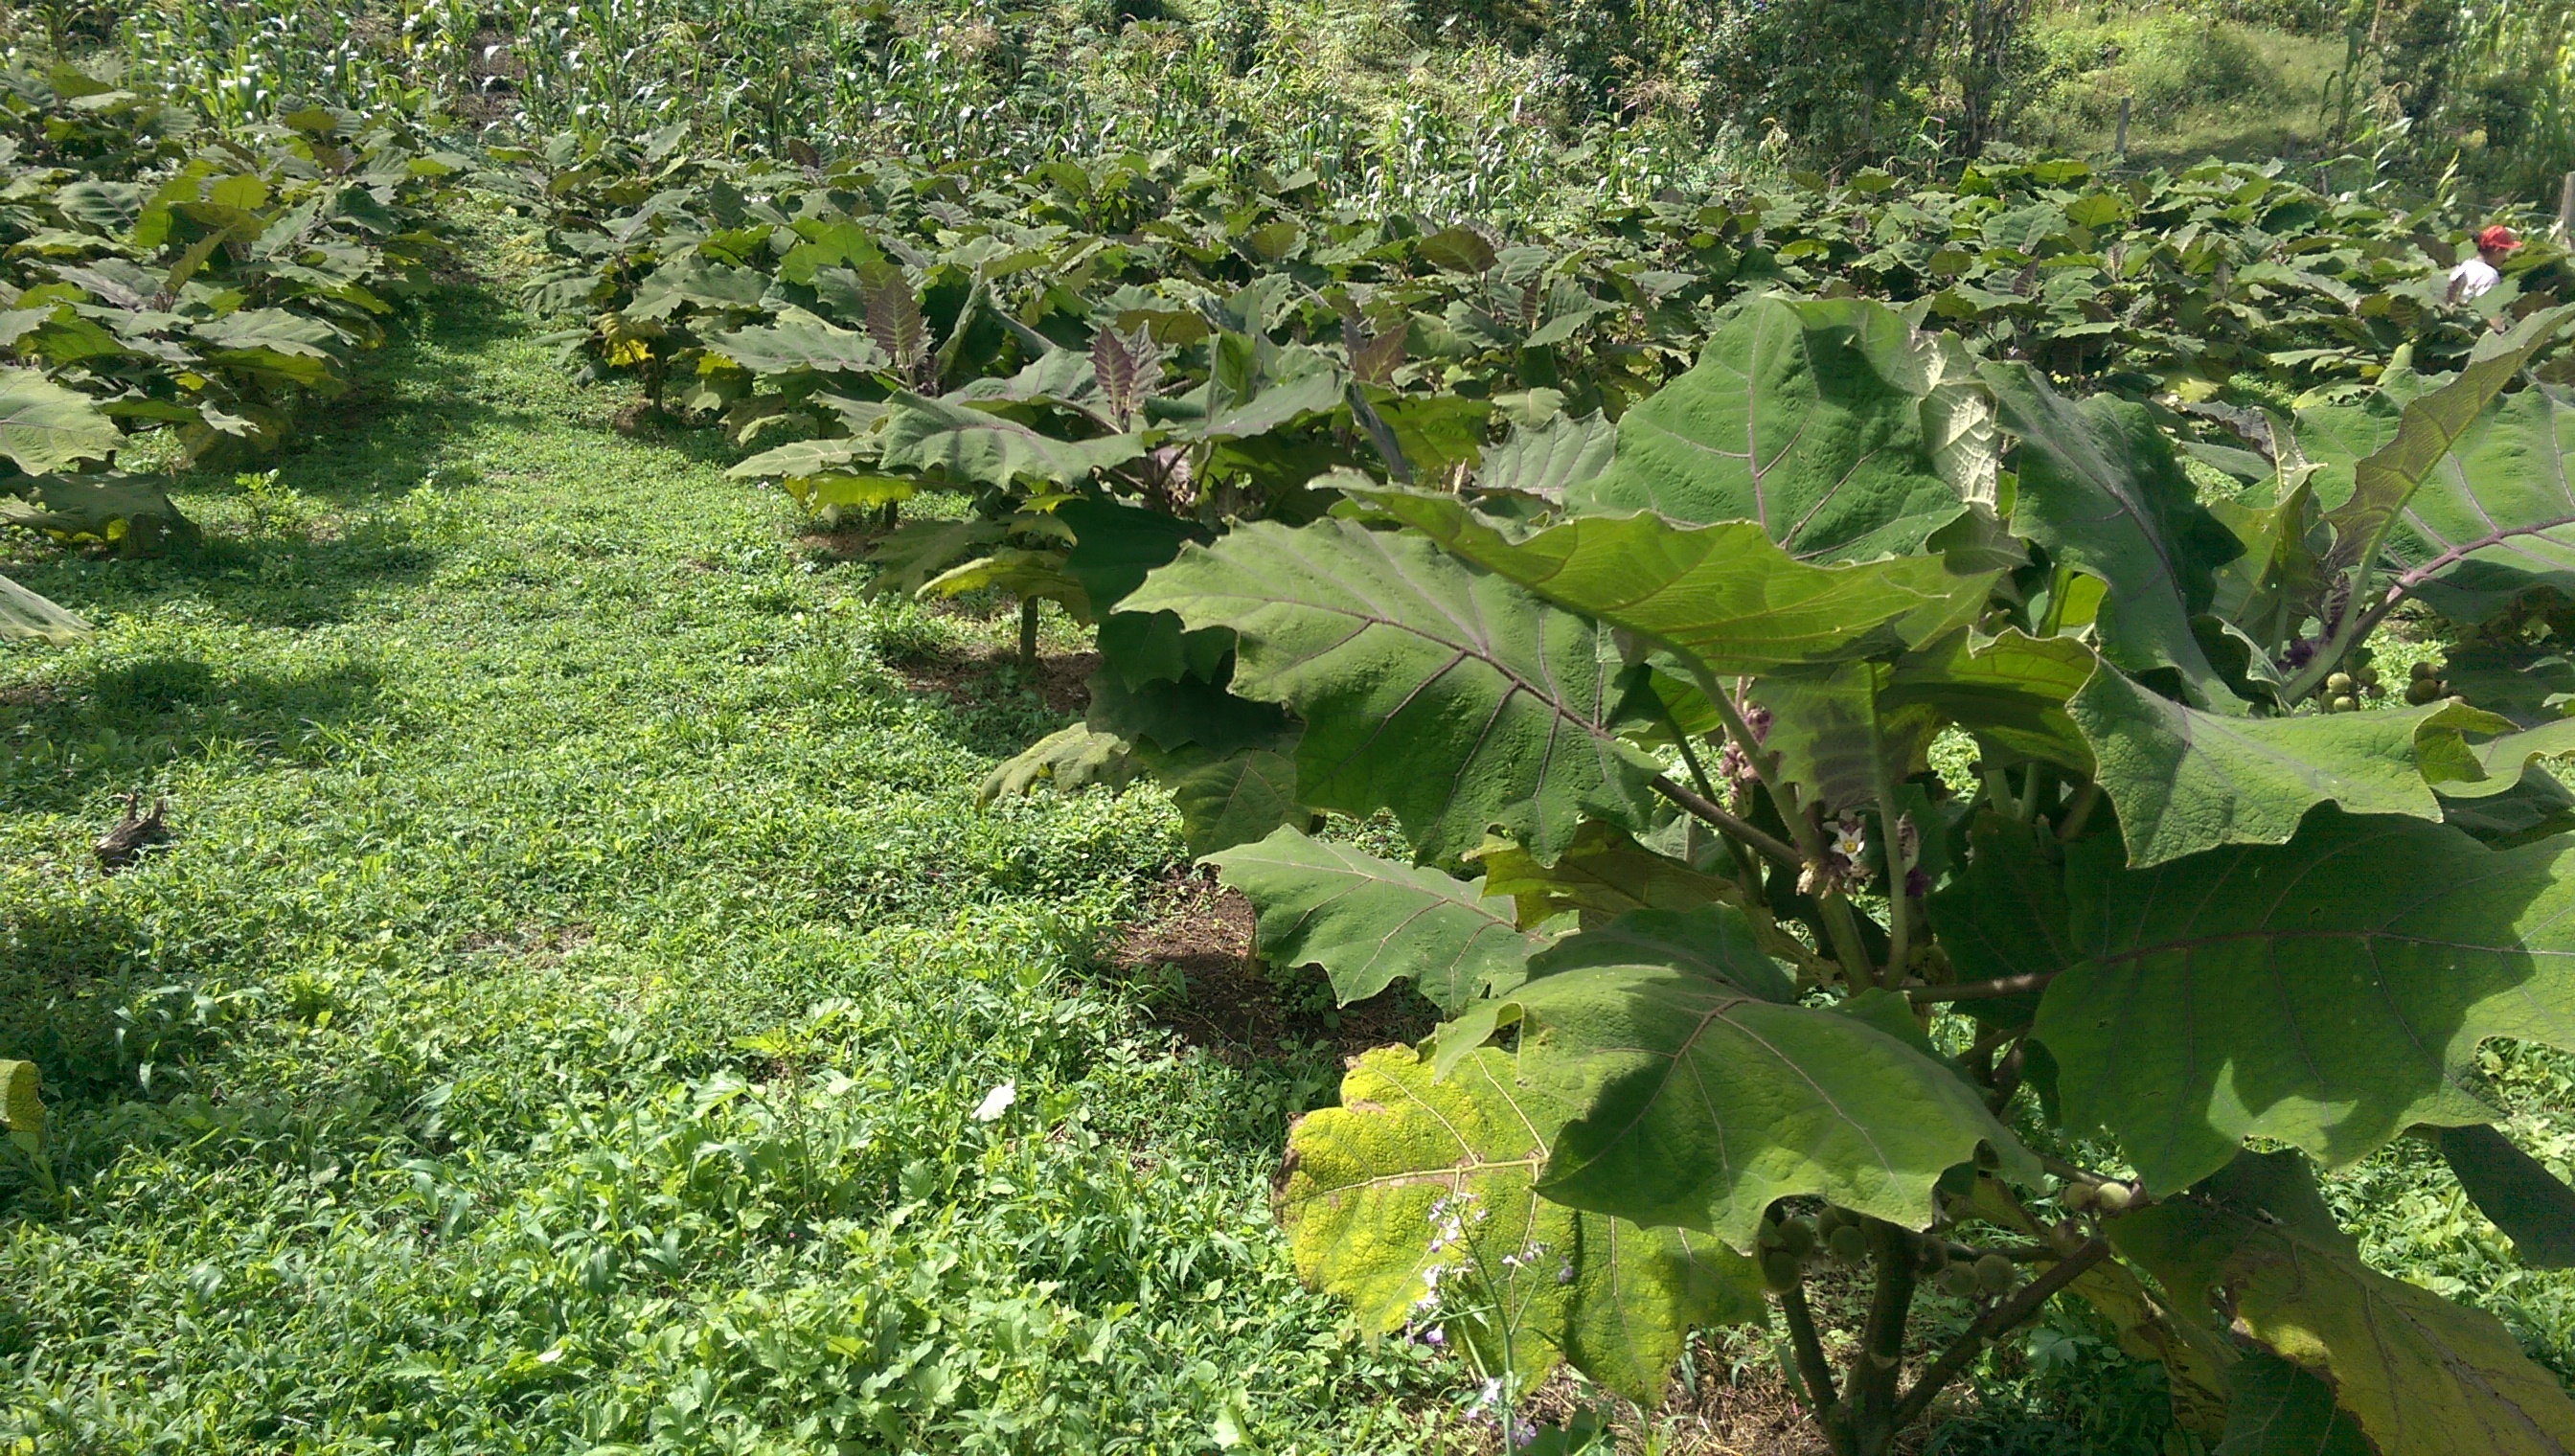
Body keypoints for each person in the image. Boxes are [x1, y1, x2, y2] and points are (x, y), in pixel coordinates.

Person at [2448, 224, 2522, 303]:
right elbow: (2486, 309)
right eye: (2505, 252)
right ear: (2497, 250)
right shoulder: (2489, 275)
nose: (2505, 257)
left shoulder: (2464, 266)